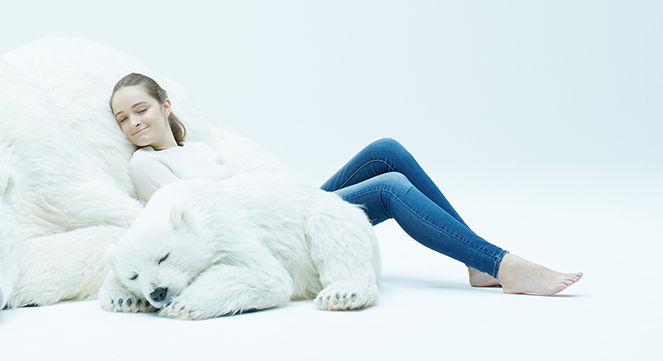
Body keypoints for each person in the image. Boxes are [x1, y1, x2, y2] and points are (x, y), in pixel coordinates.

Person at [109, 72, 582, 296]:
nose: (133, 124)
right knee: (389, 187)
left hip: (283, 208)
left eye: (141, 110)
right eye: (122, 118)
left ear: (166, 106)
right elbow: (192, 217)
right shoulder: (146, 166)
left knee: (386, 150)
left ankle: (476, 262)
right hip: (277, 228)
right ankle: (501, 264)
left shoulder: (198, 149)